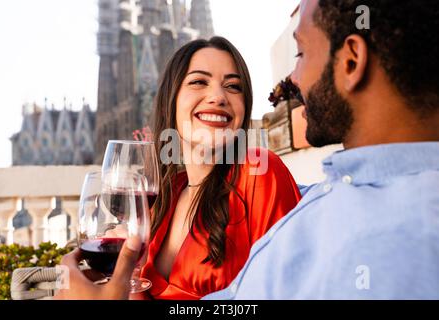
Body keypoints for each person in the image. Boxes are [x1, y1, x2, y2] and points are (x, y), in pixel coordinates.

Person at [204, 0, 439, 299]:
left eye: (300, 53)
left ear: (351, 62)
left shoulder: (386, 249)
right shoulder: (349, 190)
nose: (292, 78)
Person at [54, 36, 301, 300]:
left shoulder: (258, 171)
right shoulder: (167, 194)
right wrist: (123, 279)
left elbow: (293, 289)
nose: (218, 96)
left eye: (233, 86)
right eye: (198, 82)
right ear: (170, 101)